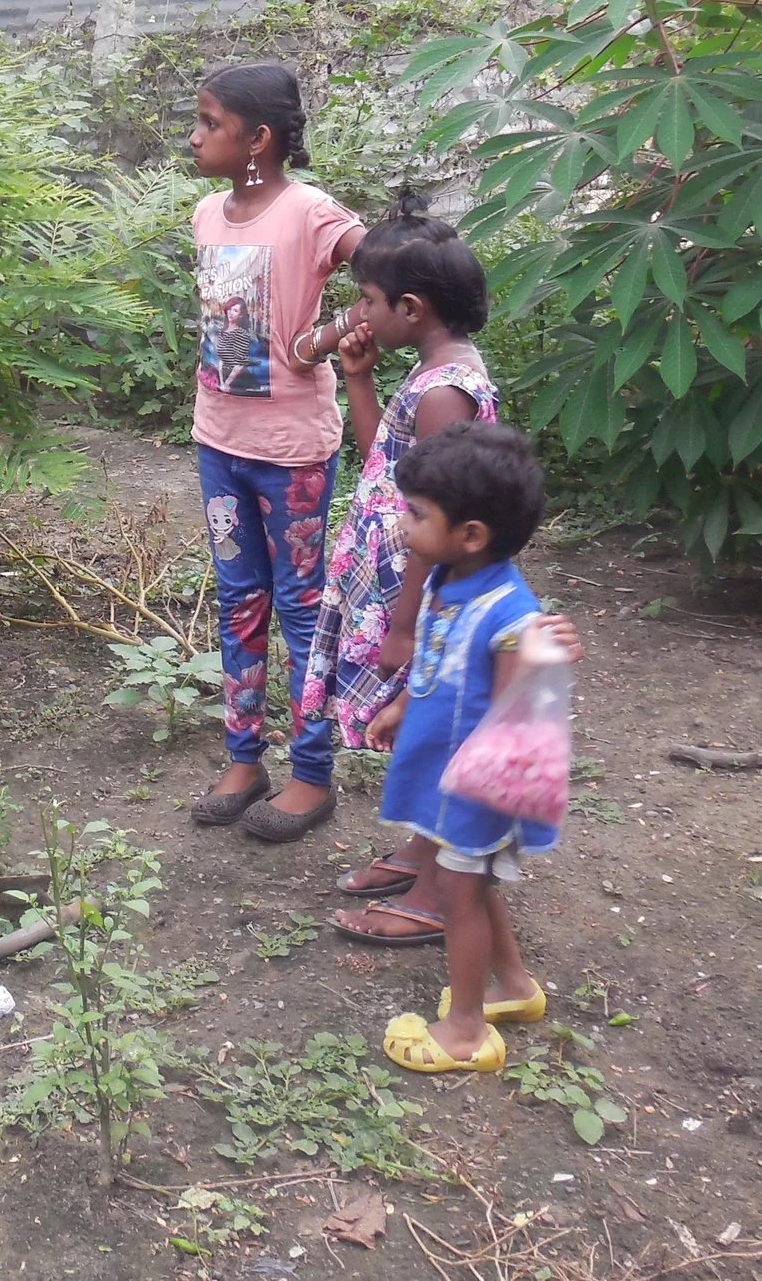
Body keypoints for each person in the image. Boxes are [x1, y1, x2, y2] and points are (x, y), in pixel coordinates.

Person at [293, 199, 501, 947]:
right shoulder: (427, 374)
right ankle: (420, 850)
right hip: (390, 584)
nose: (362, 314)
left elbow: (436, 514)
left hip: (413, 594)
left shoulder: (447, 392)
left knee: (427, 731)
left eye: (370, 302)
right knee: (410, 732)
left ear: (411, 308)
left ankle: (444, 890)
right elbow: (391, 464)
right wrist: (358, 380)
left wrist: (408, 621)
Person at [183, 62, 365, 843]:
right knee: (238, 598)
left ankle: (313, 775)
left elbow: (396, 267)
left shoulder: (311, 214)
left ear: (257, 138)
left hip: (292, 452)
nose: (194, 136)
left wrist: (322, 339)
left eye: (209, 122)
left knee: (298, 605)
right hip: (218, 444)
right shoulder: (204, 214)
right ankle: (243, 758)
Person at [371, 422, 579, 1073]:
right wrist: (404, 705)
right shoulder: (448, 580)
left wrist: (547, 654)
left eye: (417, 513)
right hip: (450, 778)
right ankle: (513, 986)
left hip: (480, 790)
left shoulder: (509, 614)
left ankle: (464, 1028)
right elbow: (439, 661)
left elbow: (520, 712)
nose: (404, 524)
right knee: (479, 886)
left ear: (471, 533)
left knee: (459, 895)